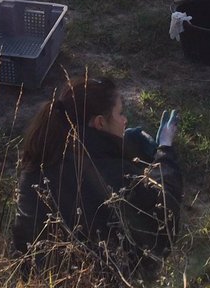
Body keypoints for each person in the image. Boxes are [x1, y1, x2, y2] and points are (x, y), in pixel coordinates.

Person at [12, 76, 183, 276]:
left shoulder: (39, 160)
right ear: (100, 123)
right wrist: (165, 150)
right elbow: (164, 212)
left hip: (39, 285)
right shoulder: (115, 174)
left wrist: (124, 145)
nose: (125, 120)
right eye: (120, 113)